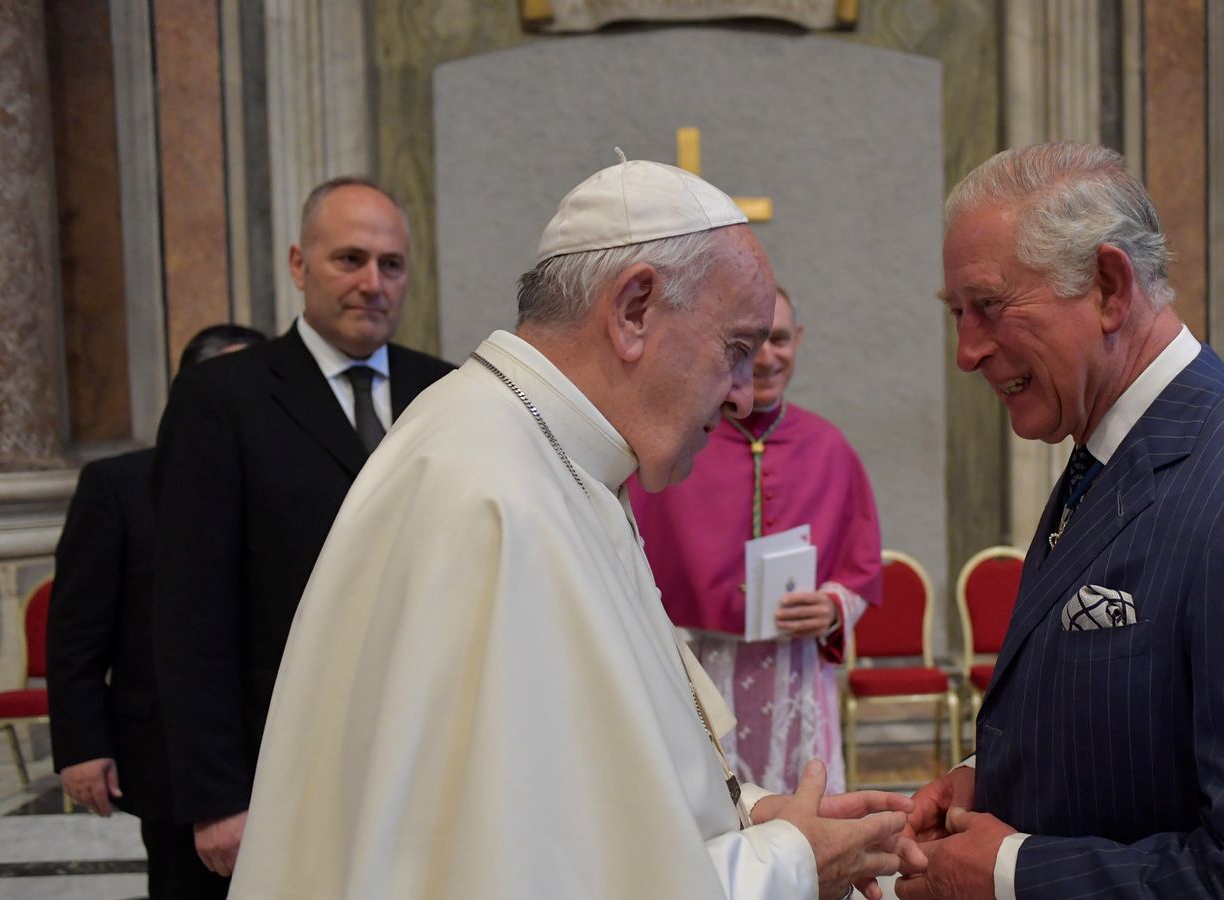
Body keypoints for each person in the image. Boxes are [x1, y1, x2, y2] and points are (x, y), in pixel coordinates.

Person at [226, 158, 910, 900]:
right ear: (634, 309)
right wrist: (790, 863)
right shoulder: (492, 498)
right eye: (735, 351)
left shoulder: (551, 458)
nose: (744, 396)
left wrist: (753, 815)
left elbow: (598, 790)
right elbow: (530, 875)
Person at [896, 142, 1224, 899]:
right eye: (957, 313)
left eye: (989, 306)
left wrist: (1009, 871)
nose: (966, 352)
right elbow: (1132, 737)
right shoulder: (1104, 454)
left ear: (1107, 287)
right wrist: (988, 781)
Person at [150, 177, 455, 882]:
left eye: (391, 265)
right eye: (349, 259)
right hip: (274, 759)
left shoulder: (447, 391)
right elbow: (187, 613)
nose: (372, 283)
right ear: (298, 265)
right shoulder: (221, 399)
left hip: (419, 754)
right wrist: (217, 795)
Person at [630, 285, 882, 794]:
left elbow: (860, 567)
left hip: (796, 677)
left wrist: (832, 608)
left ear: (800, 340)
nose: (768, 358)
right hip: (702, 668)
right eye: (753, 344)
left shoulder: (829, 447)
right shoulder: (679, 446)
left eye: (781, 340)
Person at [48, 324, 266, 900]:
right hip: (168, 750)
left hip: (275, 739)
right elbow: (76, 629)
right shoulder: (117, 485)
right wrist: (81, 745)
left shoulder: (289, 485)